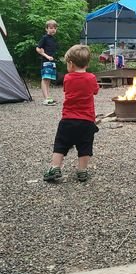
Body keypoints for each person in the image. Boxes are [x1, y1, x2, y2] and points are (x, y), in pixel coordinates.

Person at [44, 44, 99, 183]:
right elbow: (95, 91)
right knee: (85, 146)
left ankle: (55, 167)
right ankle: (82, 171)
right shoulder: (91, 78)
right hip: (87, 121)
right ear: (87, 63)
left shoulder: (68, 78)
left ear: (71, 64)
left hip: (68, 119)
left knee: (60, 144)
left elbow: (67, 90)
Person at [36, 19, 58, 105]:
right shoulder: (44, 38)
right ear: (47, 29)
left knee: (49, 79)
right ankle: (45, 99)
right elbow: (38, 48)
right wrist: (46, 56)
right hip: (45, 62)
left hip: (52, 62)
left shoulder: (53, 39)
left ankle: (48, 97)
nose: (53, 29)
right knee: (45, 79)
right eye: (51, 28)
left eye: (54, 28)